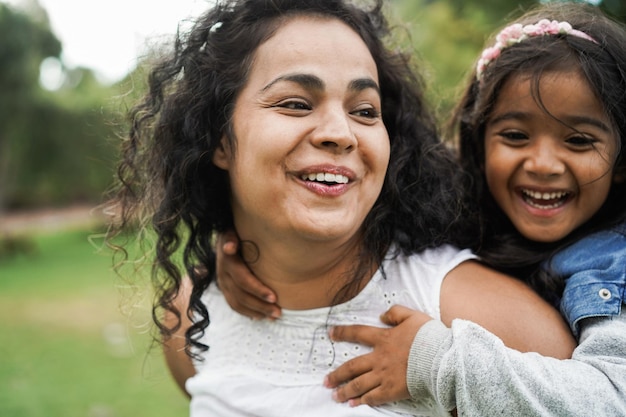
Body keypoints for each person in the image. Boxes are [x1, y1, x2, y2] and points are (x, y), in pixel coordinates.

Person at [105, 0, 574, 416]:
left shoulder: (479, 320)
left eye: (365, 111)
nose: (341, 132)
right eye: (295, 103)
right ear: (219, 139)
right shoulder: (190, 314)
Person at [216, 2, 626, 416]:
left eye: (578, 141)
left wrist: (432, 361)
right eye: (516, 135)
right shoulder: (467, 204)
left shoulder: (613, 266)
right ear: (479, 145)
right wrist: (244, 244)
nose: (542, 164)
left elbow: (612, 401)